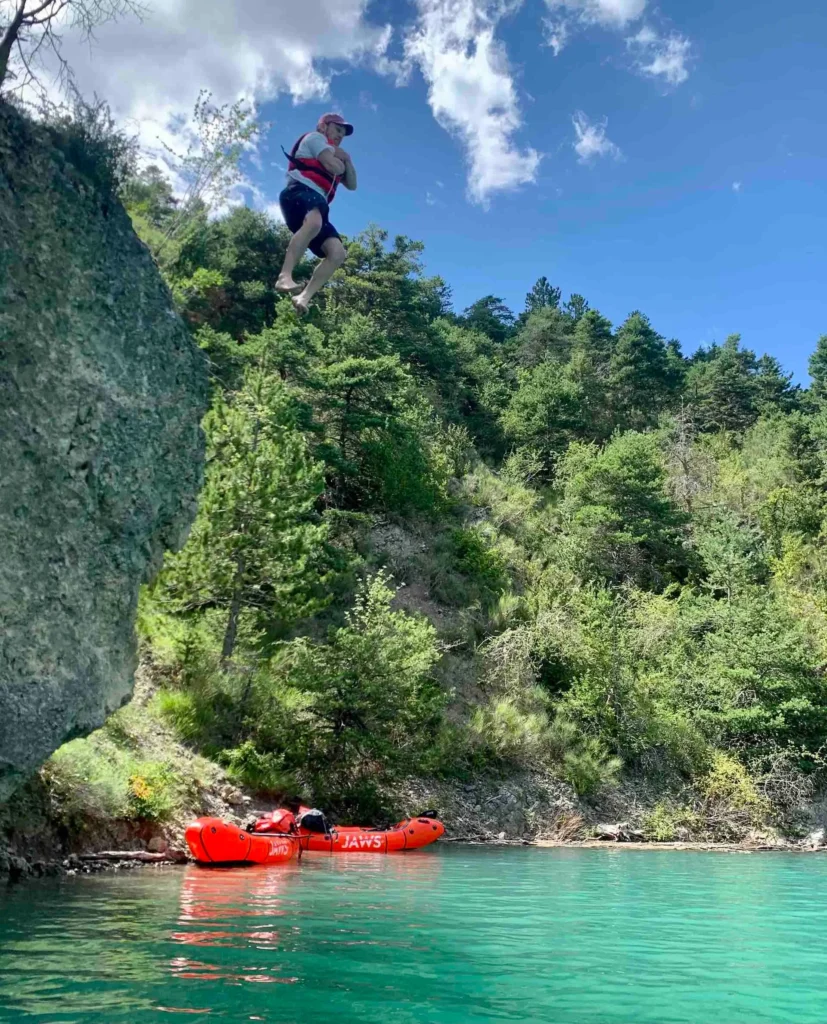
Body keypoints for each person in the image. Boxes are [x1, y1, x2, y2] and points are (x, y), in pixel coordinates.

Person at [275, 112, 357, 316]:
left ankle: (303, 297)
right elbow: (332, 165)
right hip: (299, 191)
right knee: (314, 223)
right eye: (337, 129)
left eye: (343, 134)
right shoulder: (315, 138)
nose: (340, 135)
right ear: (323, 126)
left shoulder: (338, 151)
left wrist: (348, 159)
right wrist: (341, 160)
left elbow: (352, 184)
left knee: (337, 253)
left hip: (317, 204)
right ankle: (284, 276)